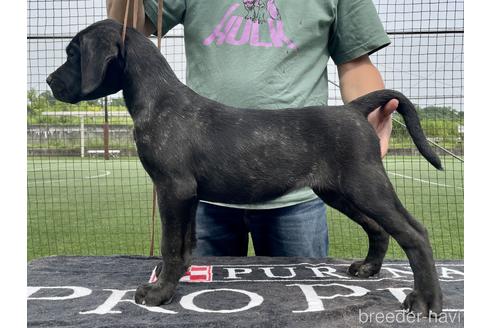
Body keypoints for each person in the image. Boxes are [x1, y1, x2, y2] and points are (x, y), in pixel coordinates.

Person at [106, 0, 398, 258]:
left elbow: (355, 62)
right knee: (202, 308)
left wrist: (368, 120)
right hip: (205, 186)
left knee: (300, 308)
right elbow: (128, 28)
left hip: (297, 187)